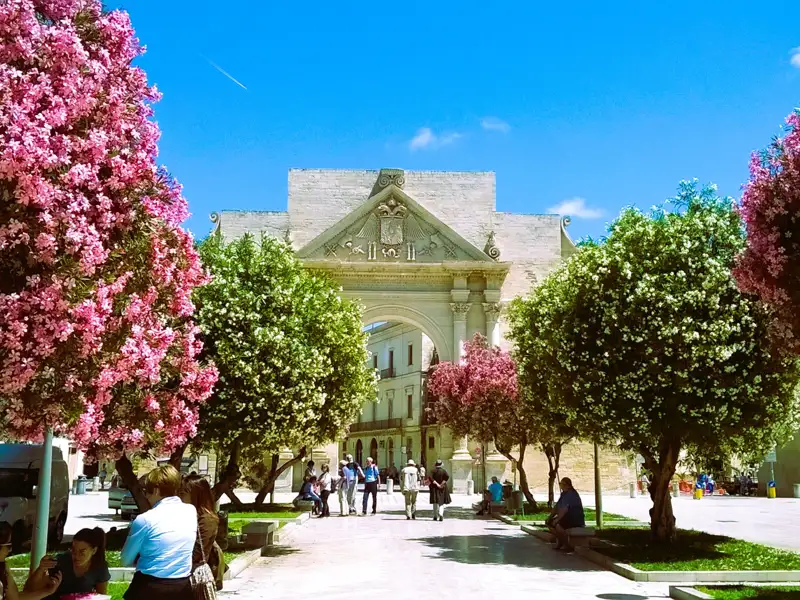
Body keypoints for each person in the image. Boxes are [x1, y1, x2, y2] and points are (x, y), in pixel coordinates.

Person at [120, 465, 196, 600]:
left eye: (146, 491)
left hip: (150, 587)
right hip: (182, 587)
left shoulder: (145, 519)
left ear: (155, 490)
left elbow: (125, 560)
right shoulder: (190, 511)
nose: (146, 496)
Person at [180, 475, 224, 591]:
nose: (180, 497)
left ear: (196, 495)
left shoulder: (206, 520)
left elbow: (199, 551)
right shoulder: (188, 515)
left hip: (193, 575)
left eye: (184, 492)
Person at [0, 522, 63, 600]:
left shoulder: (3, 568)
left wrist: (48, 591)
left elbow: (16, 597)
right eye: (8, 546)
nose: (10, 550)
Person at [546, 477, 585, 552]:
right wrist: (550, 517)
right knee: (549, 523)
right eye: (560, 484)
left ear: (568, 485)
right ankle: (561, 541)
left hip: (574, 518)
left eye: (563, 484)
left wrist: (557, 519)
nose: (561, 486)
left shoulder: (571, 494)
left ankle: (568, 545)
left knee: (557, 525)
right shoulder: (563, 494)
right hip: (567, 517)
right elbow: (557, 507)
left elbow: (564, 510)